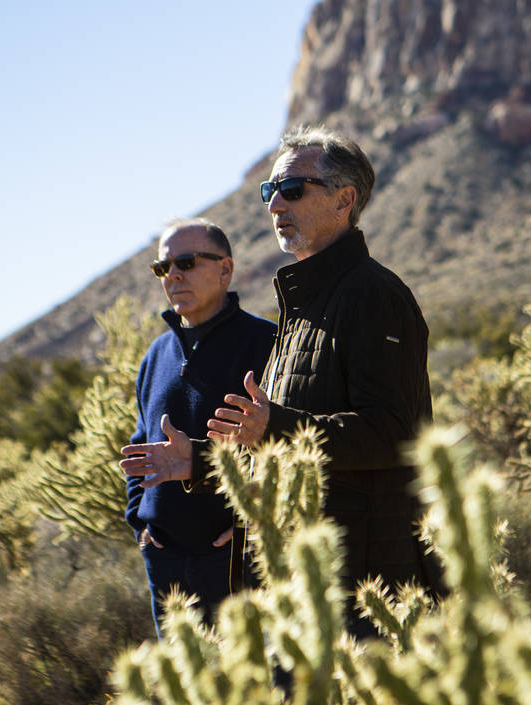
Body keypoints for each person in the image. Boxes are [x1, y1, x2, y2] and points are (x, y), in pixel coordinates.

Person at [123, 126, 443, 635]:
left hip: (363, 581)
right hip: (302, 580)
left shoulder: (373, 295)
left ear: (344, 200)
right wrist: (201, 462)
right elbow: (278, 440)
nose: (275, 206)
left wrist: (275, 424)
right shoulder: (302, 309)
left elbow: (395, 432)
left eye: (292, 190)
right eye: (269, 192)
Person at [121, 217, 276, 638]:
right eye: (162, 267)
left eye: (186, 262)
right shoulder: (156, 355)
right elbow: (140, 444)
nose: (173, 275)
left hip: (233, 555)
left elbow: (288, 445)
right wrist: (140, 521)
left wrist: (251, 529)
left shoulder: (268, 344)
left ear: (225, 269)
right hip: (165, 558)